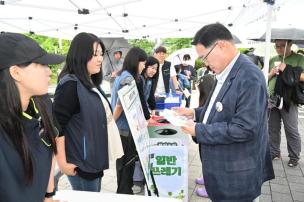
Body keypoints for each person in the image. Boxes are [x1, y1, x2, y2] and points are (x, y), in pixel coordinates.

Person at [174, 23, 274, 201]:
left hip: (236, 177)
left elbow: (244, 128)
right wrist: (194, 113)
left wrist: (199, 130)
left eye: (205, 57)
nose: (205, 63)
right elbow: (219, 108)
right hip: (223, 172)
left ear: (221, 45)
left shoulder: (249, 76)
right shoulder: (228, 71)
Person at [0, 32, 64, 201]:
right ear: (16, 73)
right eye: (41, 64)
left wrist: (47, 195)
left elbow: (50, 148)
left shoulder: (42, 106)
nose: (49, 72)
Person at [53, 32, 116, 192]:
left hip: (93, 158)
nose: (100, 59)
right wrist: (62, 162)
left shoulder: (90, 81)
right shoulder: (70, 85)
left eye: (101, 54)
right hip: (80, 162)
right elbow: (55, 125)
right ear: (81, 55)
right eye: (95, 54)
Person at [111, 47, 147, 194]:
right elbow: (119, 105)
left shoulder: (123, 75)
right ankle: (123, 194)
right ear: (135, 62)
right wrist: (111, 124)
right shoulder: (128, 79)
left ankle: (124, 192)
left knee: (123, 166)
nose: (144, 66)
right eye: (143, 63)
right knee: (126, 167)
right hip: (124, 130)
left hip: (123, 129)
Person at [268, 39, 304, 167]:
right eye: (276, 46)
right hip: (272, 98)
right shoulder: (272, 59)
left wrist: (287, 69)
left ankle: (294, 156)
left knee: (291, 128)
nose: (279, 48)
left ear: (290, 44)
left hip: (289, 98)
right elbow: (263, 77)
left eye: (282, 46)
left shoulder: (299, 58)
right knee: (272, 127)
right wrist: (272, 73)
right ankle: (274, 152)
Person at [195, 74, 216, 198]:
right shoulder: (206, 98)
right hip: (204, 137)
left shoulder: (210, 101)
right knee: (204, 159)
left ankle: (210, 188)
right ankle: (206, 177)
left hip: (208, 137)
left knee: (209, 161)